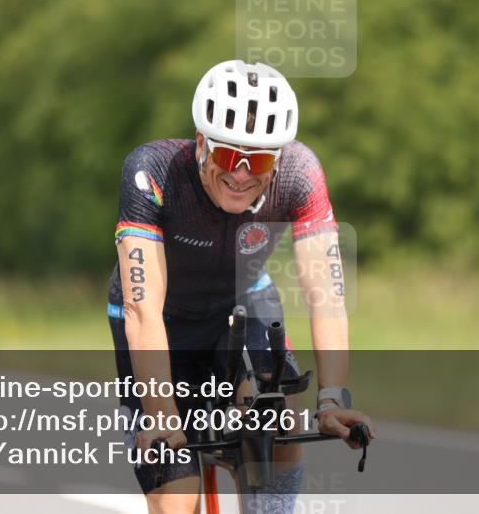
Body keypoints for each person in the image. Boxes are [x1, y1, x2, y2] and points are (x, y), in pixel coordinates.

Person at [108, 59, 374, 514]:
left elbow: (326, 295)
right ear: (201, 143)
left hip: (241, 304)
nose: (243, 173)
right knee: (176, 494)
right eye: (230, 156)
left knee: (277, 425)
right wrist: (162, 414)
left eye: (261, 159)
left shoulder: (300, 173)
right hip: (160, 320)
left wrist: (332, 397)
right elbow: (142, 309)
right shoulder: (152, 171)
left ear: (279, 158)